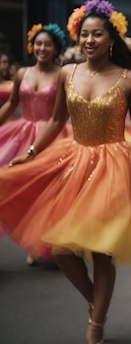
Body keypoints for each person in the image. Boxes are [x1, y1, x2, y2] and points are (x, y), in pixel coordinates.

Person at [0, 0, 131, 344]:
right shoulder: (68, 72)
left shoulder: (130, 80)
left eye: (97, 34)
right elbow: (55, 121)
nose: (90, 40)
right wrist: (32, 152)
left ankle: (97, 322)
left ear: (112, 39)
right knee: (62, 250)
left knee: (102, 251)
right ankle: (97, 303)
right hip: (74, 161)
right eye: (84, 35)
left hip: (114, 166)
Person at [0, 23, 73, 260]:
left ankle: (47, 242)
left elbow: (65, 111)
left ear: (56, 48)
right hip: (20, 135)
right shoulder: (22, 73)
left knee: (49, 193)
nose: (42, 48)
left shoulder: (62, 74)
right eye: (38, 44)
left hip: (52, 136)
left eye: (47, 44)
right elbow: (11, 104)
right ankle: (34, 243)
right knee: (24, 190)